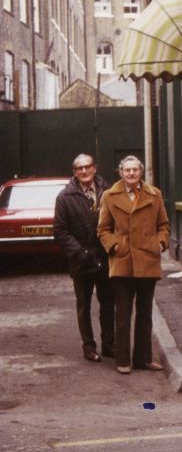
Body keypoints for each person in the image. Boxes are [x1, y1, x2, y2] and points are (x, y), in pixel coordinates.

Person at [97, 155, 170, 374]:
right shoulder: (109, 196)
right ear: (120, 172)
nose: (131, 174)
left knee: (145, 313)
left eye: (135, 170)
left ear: (141, 172)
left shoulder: (154, 194)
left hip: (148, 259)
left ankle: (143, 358)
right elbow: (103, 230)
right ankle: (122, 359)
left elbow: (164, 225)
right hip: (122, 261)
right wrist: (114, 246)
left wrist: (160, 242)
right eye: (127, 170)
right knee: (123, 314)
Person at [54, 154, 114, 363]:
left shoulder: (109, 191)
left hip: (106, 258)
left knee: (108, 304)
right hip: (81, 261)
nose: (84, 171)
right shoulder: (65, 197)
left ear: (95, 168)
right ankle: (89, 347)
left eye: (88, 167)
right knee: (84, 305)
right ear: (74, 172)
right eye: (79, 168)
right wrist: (81, 253)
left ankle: (109, 344)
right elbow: (60, 231)